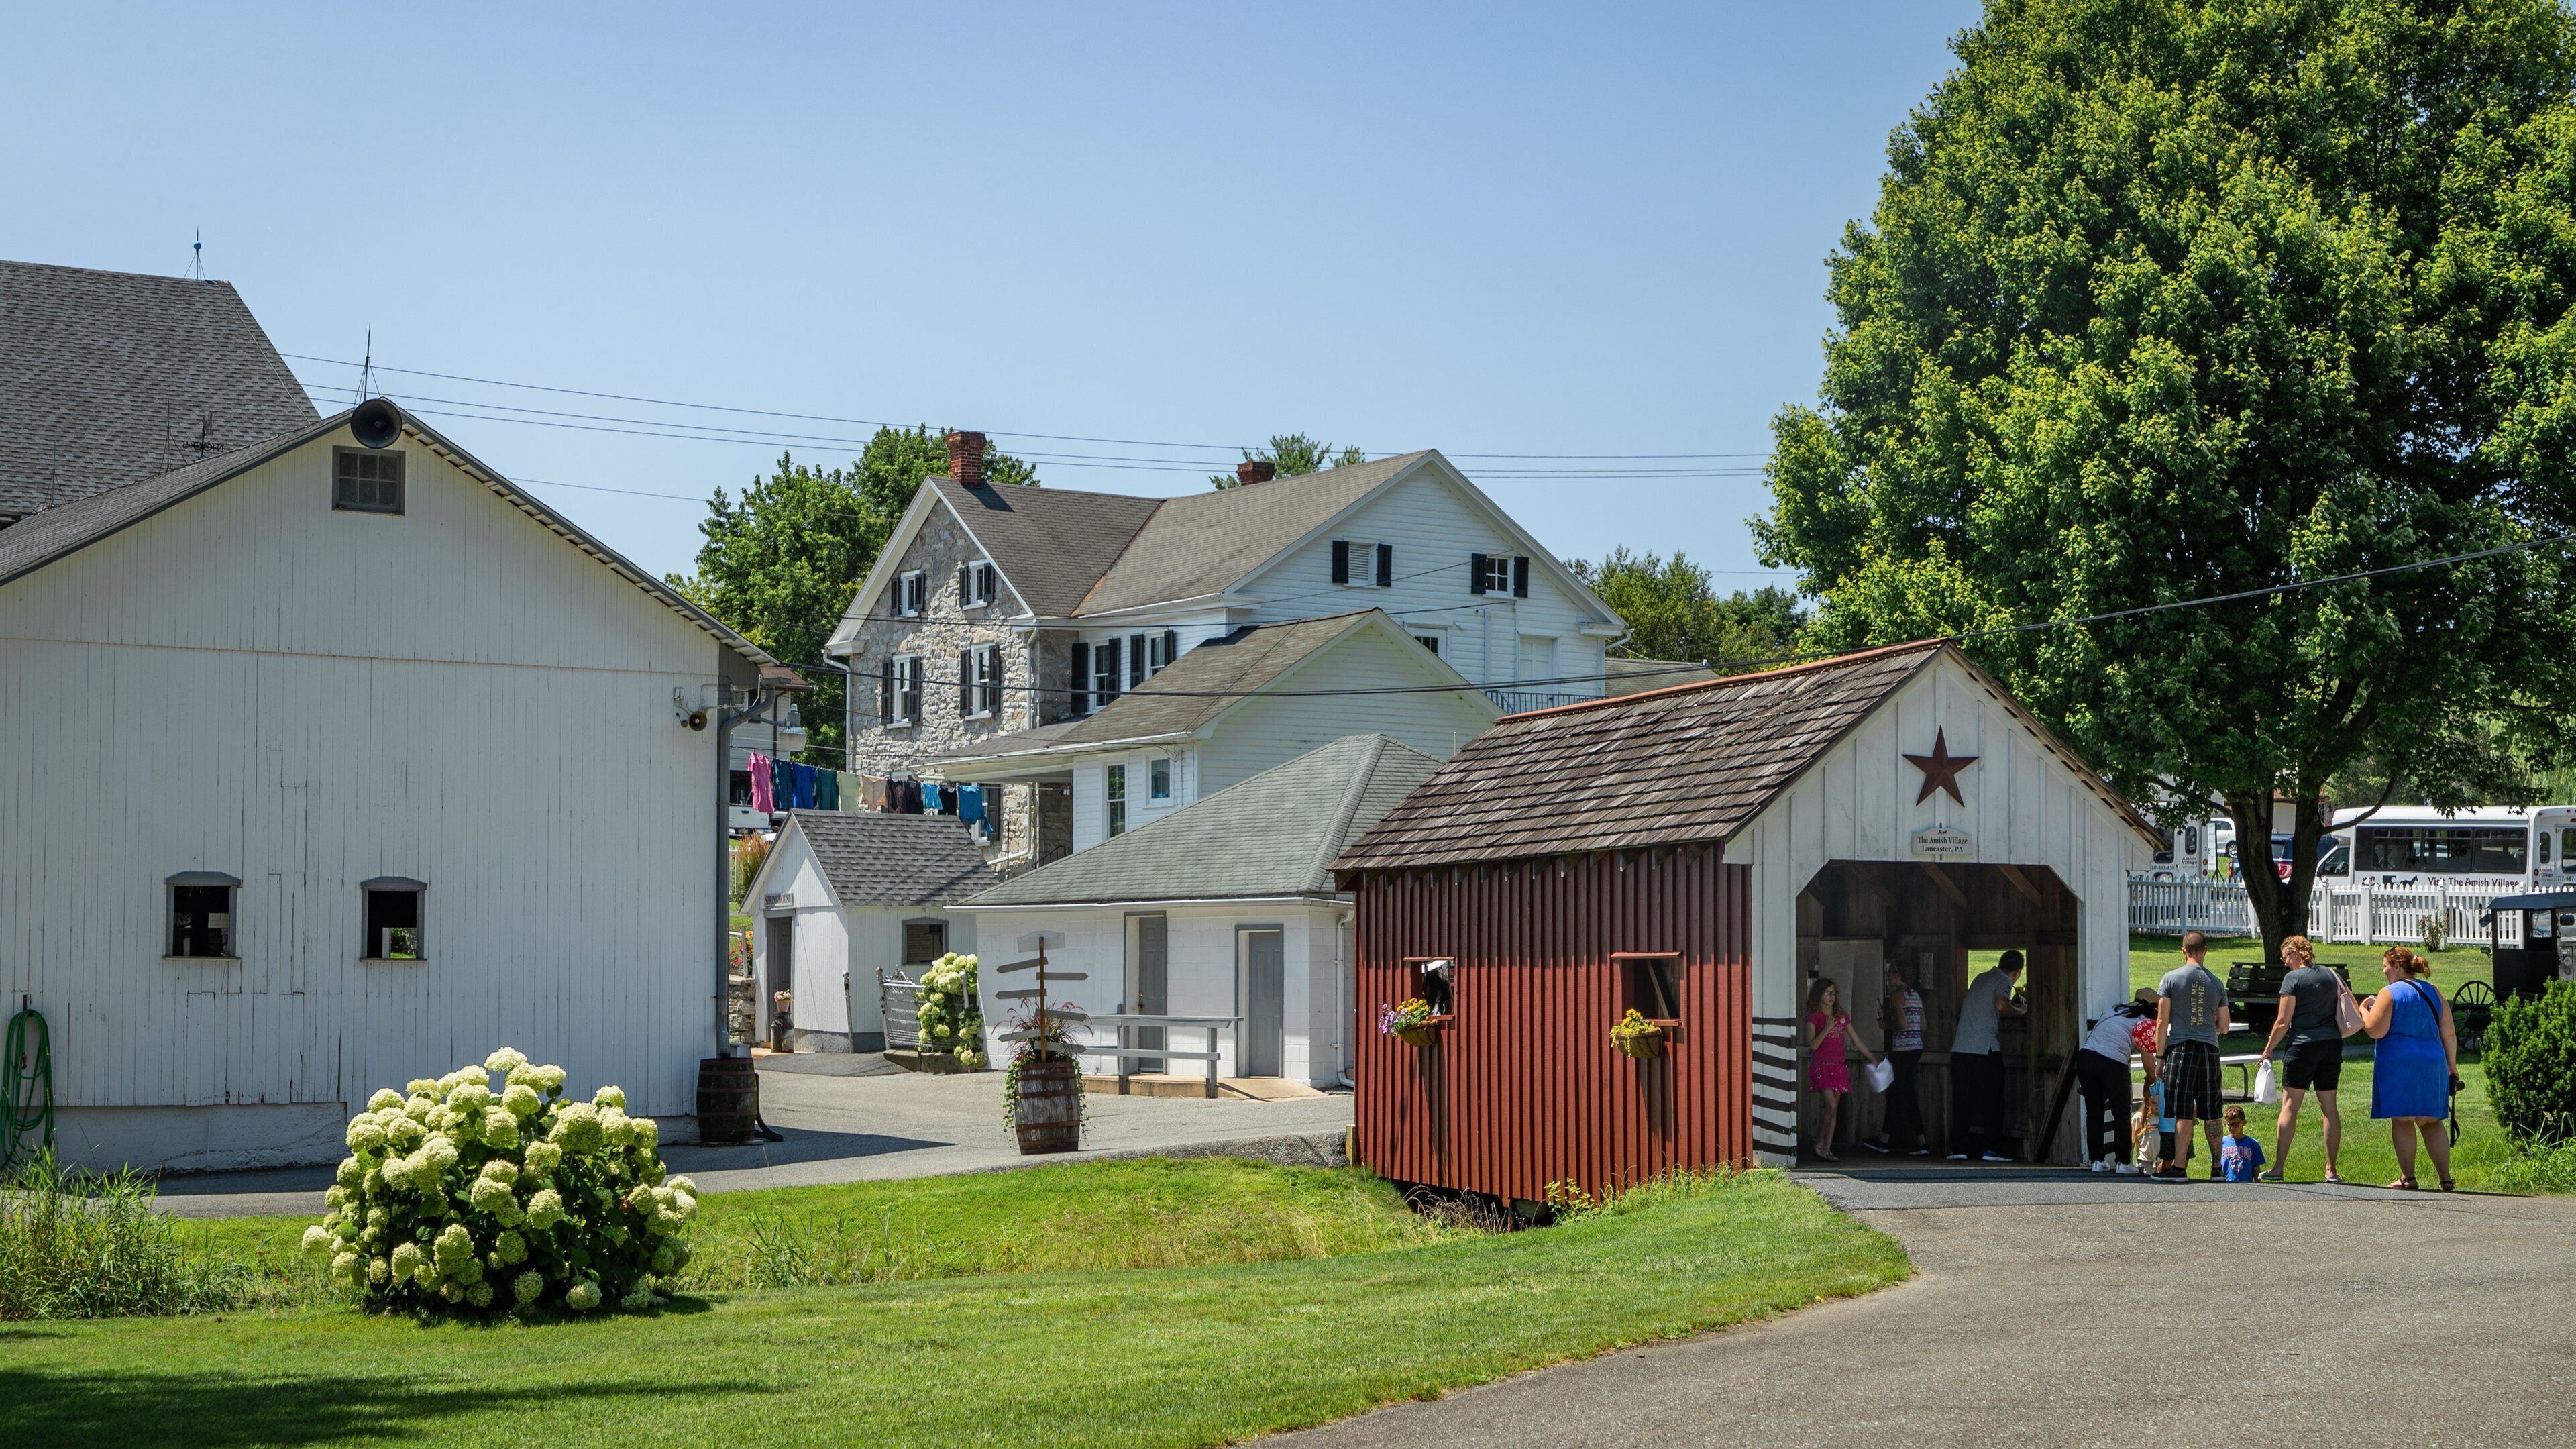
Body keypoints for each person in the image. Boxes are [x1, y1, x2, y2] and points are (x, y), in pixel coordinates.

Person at [2359, 947, 2459, 1190]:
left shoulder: (2388, 993)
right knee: (2431, 1122)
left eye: (2385, 965)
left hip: (2400, 1062)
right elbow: (2449, 1033)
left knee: (2403, 1120)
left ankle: (2409, 1177)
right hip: (2433, 1062)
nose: (2383, 971)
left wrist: (2363, 1009)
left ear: (2396, 965)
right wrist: (2452, 1066)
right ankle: (2445, 1178)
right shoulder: (2434, 991)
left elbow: (2375, 1030)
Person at [2255, 935, 2353, 1183]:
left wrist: (2268, 1048)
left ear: (2297, 954)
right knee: (2329, 1108)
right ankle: (2331, 1170)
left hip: (2303, 1046)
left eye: (2286, 956)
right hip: (2331, 1045)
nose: (2284, 961)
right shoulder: (2329, 975)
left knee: (2290, 1106)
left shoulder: (2293, 979)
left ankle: (2278, 1168)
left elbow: (2283, 1021)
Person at [2154, 930, 2231, 1179]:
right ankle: (2217, 1168)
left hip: (2180, 1050)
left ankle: (2180, 1167)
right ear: (2205, 950)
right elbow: (2225, 1026)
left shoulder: (2170, 980)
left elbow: (2162, 1020)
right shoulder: (2217, 983)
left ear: (2183, 950)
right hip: (2209, 1050)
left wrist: (2160, 1057)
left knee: (2183, 1111)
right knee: (2212, 1110)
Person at [1947, 951, 2026, 1163]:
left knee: (1963, 1102)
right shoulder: (2003, 980)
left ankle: (1958, 1148)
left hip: (1960, 1050)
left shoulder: (1981, 977)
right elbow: (2001, 1004)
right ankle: (1992, 1148)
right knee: (1993, 1100)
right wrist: (2020, 1011)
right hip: (1985, 1050)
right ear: (2017, 972)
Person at [2076, 988, 2158, 1172]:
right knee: (2121, 1112)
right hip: (2112, 1061)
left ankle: (2097, 1161)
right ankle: (2124, 1162)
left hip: (2086, 1058)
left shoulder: (2114, 1011)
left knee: (2094, 1112)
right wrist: (2153, 1078)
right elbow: (2148, 1062)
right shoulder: (2144, 1022)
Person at [1805, 978, 1880, 1163]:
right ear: (1819, 995)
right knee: (1831, 1104)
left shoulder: (1842, 1015)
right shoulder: (1814, 1017)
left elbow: (1856, 1040)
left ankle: (1826, 1148)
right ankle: (1820, 1142)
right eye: (1827, 993)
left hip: (1839, 1066)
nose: (1831, 996)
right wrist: (1828, 1028)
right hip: (1822, 1066)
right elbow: (1812, 1045)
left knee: (1834, 1107)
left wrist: (1872, 1058)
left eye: (1833, 993)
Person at [1866, 956, 1929, 1155]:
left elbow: (1902, 1025)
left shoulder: (1896, 996)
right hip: (1916, 1048)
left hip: (1901, 1050)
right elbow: (1924, 1026)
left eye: (1891, 973)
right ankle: (1887, 1139)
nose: (1888, 976)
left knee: (1904, 1095)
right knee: (1897, 1094)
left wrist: (1886, 1025)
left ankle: (1921, 1142)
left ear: (1898, 976)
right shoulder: (1916, 995)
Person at [2216, 1104, 2266, 1183]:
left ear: (2244, 1122)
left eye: (2236, 1124)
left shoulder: (2253, 1144)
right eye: (2229, 1124)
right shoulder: (2221, 1143)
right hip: (2225, 1186)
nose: (2232, 1128)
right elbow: (2216, 1167)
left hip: (2247, 1186)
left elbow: (2256, 1170)